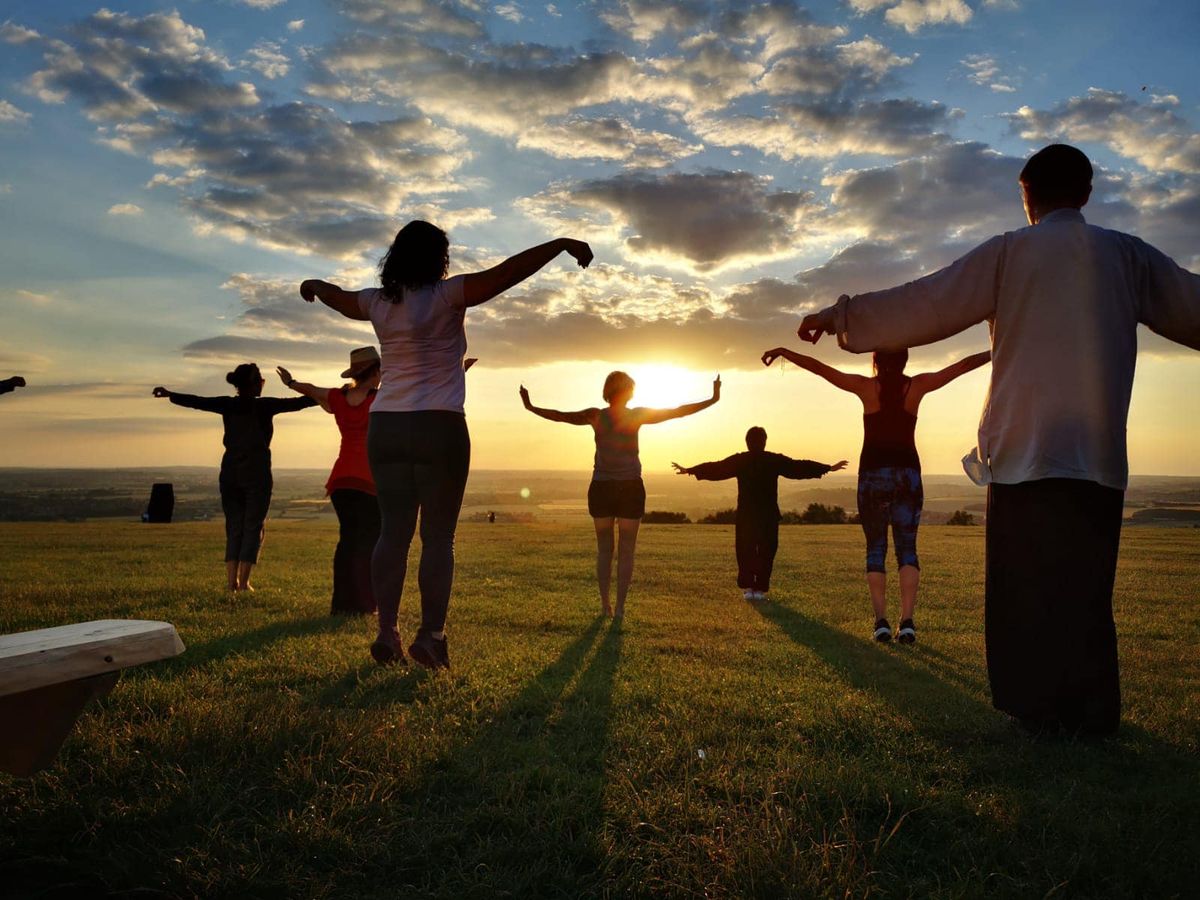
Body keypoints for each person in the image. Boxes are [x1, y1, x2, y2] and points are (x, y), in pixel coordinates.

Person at [796, 143, 1200, 734]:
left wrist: (843, 316)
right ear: (1086, 193)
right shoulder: (1128, 256)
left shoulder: (1011, 252)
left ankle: (1032, 709)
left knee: (1023, 591)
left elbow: (928, 300)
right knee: (1086, 591)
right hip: (1097, 454)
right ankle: (1089, 714)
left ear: (1027, 196)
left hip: (1023, 452)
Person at [300, 220, 593, 669]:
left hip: (387, 427)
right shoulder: (447, 295)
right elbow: (507, 273)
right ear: (440, 258)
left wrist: (314, 285)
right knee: (438, 536)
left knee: (392, 533)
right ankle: (431, 637)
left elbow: (339, 298)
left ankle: (387, 632)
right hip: (439, 426)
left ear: (395, 257)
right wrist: (559, 244)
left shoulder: (377, 302)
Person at [760, 346, 990, 643]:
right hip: (907, 474)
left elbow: (821, 369)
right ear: (904, 360)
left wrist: (784, 352)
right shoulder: (916, 386)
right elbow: (963, 364)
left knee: (875, 550)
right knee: (907, 550)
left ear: (875, 361)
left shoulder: (866, 387)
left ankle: (881, 622)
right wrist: (1002, 345)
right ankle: (907, 622)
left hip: (873, 475)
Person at [520, 371, 721, 619]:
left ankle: (605, 605)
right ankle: (620, 608)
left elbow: (561, 417)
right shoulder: (636, 415)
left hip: (602, 487)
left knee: (604, 550)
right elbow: (677, 411)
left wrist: (530, 406)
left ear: (608, 391)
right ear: (628, 391)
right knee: (627, 550)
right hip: (630, 488)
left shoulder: (595, 415)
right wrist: (712, 398)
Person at [153, 363, 316, 591]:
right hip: (257, 471)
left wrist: (171, 395)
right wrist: (332, 392)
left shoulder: (227, 404)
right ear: (257, 383)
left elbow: (197, 401)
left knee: (234, 525)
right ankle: (244, 582)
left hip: (229, 471)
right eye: (261, 381)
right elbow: (303, 402)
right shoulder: (264, 406)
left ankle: (231, 582)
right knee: (253, 525)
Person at [673, 427, 847, 600]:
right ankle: (759, 588)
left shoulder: (741, 460)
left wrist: (690, 470)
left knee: (745, 550)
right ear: (764, 441)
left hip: (747, 515)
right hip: (767, 514)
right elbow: (797, 467)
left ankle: (749, 588)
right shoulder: (772, 460)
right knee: (766, 551)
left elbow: (717, 468)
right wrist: (827, 468)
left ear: (747, 442)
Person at [277, 348, 383, 616]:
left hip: (341, 480)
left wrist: (291, 383)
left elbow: (312, 389)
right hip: (369, 480)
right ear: (376, 372)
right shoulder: (381, 399)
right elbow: (416, 393)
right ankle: (365, 604)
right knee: (369, 542)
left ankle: (342, 605)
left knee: (347, 541)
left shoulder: (338, 397)